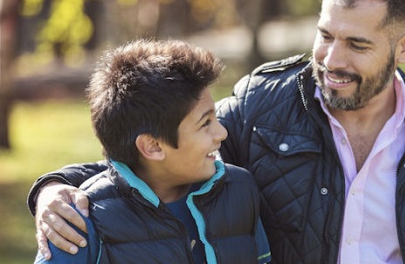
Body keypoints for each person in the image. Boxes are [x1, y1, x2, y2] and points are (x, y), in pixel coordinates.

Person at [28, 0, 405, 263]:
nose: (331, 60)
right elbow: (158, 149)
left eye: (357, 44)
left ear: (404, 46)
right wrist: (54, 187)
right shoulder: (264, 107)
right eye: (325, 35)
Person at [32, 39, 271, 263]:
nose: (222, 133)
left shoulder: (240, 191)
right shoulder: (76, 222)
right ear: (153, 147)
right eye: (205, 123)